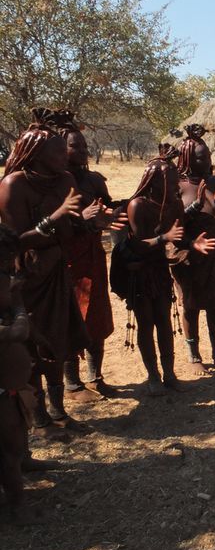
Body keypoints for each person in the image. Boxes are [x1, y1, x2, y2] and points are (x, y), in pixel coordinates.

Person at [0, 108, 88, 434]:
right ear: (36, 153)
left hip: (57, 272)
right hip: (28, 280)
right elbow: (16, 243)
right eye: (57, 150)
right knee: (34, 347)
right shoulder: (13, 186)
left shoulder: (65, 180)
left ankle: (60, 411)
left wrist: (92, 220)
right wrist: (54, 217)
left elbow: (69, 231)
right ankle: (39, 419)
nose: (65, 155)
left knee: (60, 341)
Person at [123, 146, 215, 395]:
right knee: (146, 324)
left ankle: (170, 374)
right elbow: (139, 246)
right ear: (156, 180)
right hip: (142, 273)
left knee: (164, 323)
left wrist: (192, 244)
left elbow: (179, 234)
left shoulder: (172, 204)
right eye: (172, 178)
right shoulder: (138, 205)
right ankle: (153, 376)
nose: (177, 182)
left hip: (160, 271)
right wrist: (164, 238)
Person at [52, 110, 124, 400]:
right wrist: (81, 217)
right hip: (70, 259)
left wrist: (115, 213)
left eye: (83, 145)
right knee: (73, 315)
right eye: (74, 146)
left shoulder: (94, 180)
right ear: (59, 149)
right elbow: (52, 222)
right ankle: (71, 384)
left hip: (94, 255)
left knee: (97, 315)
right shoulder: (56, 183)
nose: (82, 150)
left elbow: (106, 210)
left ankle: (95, 377)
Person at [173, 124, 215, 375]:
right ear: (188, 157)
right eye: (201, 156)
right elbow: (171, 223)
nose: (206, 160)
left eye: (208, 155)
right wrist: (195, 207)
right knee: (190, 304)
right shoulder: (178, 185)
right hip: (188, 256)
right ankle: (193, 353)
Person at [0, 224, 37, 523]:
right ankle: (17, 507)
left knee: (12, 447)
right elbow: (17, 332)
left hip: (8, 387)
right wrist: (18, 307)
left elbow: (19, 329)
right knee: (7, 453)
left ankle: (17, 494)